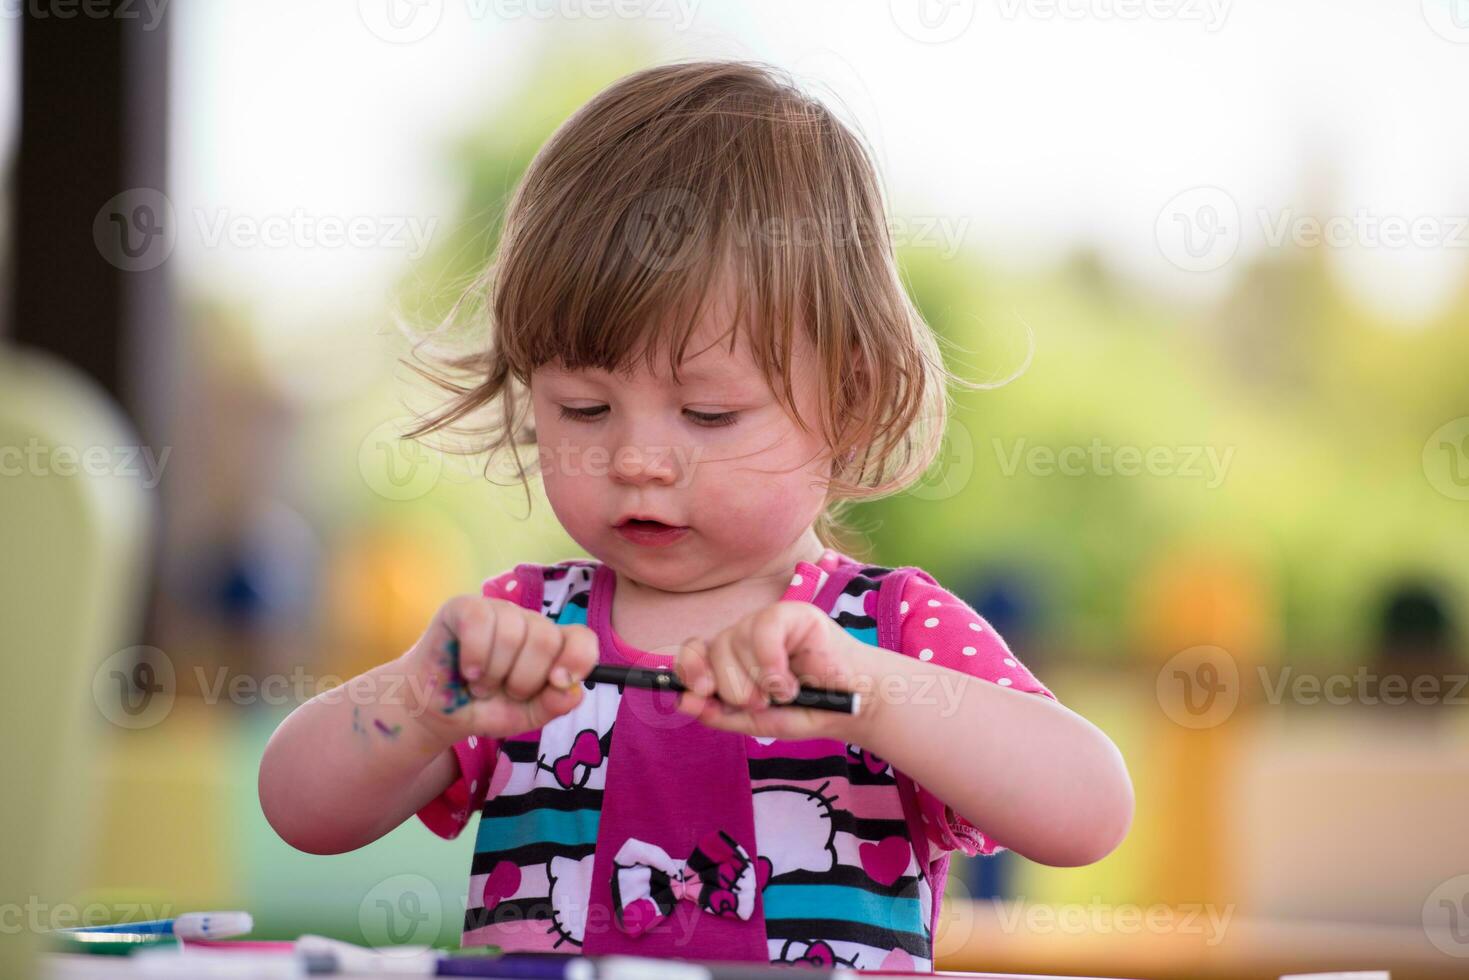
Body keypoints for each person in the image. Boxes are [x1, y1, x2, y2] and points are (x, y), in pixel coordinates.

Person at [258, 59, 1133, 971]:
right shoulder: (524, 635)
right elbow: (299, 810)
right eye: (582, 410)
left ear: (849, 398)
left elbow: (1088, 811)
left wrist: (875, 696)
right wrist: (420, 699)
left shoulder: (884, 634)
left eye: (709, 414)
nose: (637, 458)